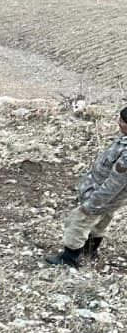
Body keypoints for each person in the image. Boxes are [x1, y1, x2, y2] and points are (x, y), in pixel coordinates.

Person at [53, 104, 127, 268]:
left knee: (80, 221)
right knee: (101, 221)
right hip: (111, 198)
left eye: (122, 121)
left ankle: (69, 258)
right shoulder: (124, 140)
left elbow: (114, 184)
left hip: (102, 195)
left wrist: (93, 204)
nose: (118, 123)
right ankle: (90, 252)